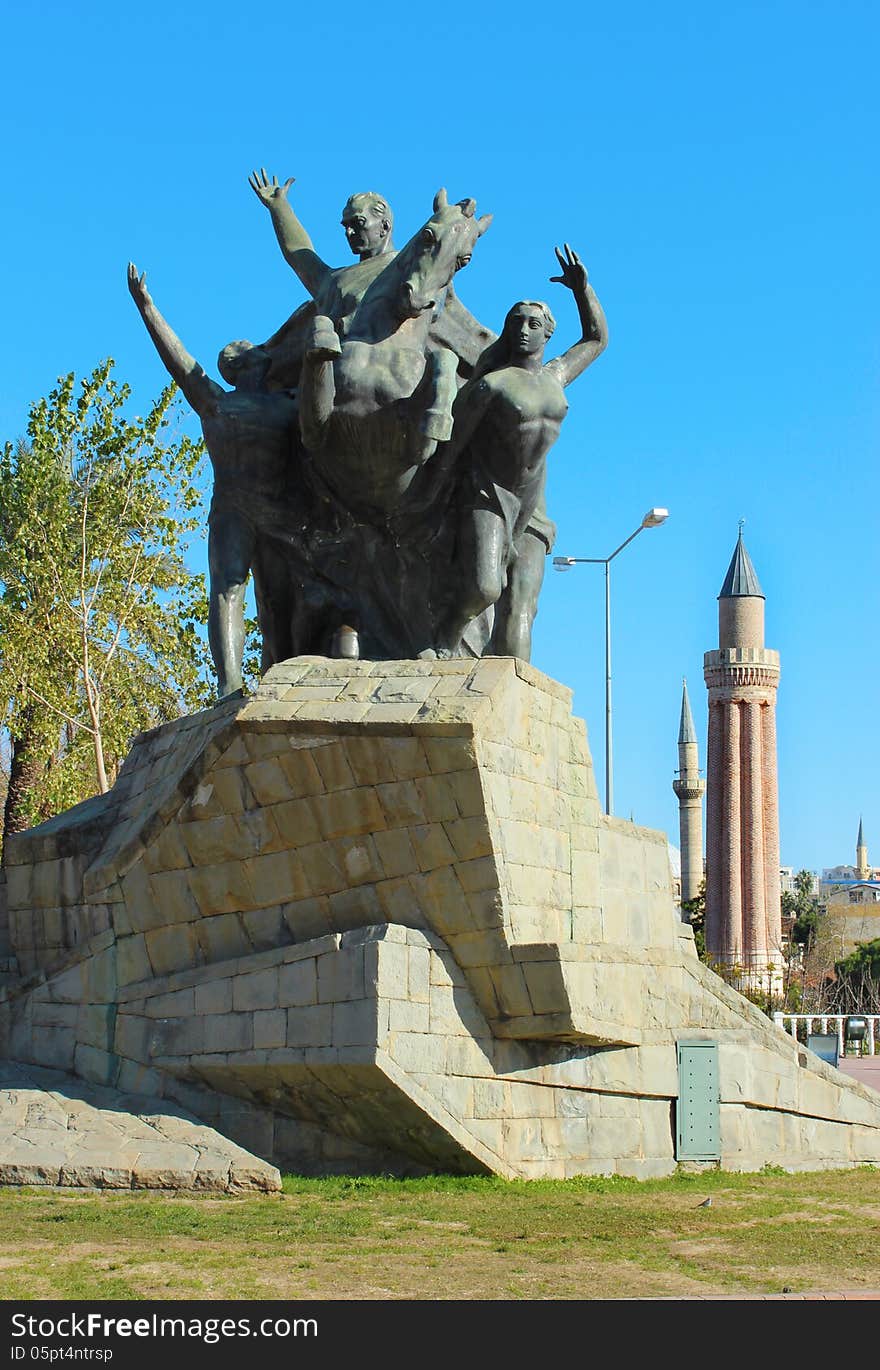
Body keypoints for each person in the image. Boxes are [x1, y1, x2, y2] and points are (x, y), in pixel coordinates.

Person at [127, 264, 298, 697]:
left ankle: (266, 677)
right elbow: (179, 361)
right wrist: (147, 307)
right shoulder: (222, 404)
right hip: (243, 513)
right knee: (232, 592)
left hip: (265, 512)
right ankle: (230, 685)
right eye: (256, 349)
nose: (266, 351)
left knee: (266, 596)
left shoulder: (278, 405)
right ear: (242, 364)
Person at [438, 244, 608, 656]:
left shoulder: (557, 376)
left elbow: (597, 339)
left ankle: (513, 700)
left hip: (534, 507)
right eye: (517, 322)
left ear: (549, 332)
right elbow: (452, 447)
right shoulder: (492, 384)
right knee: (485, 587)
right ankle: (442, 637)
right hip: (489, 495)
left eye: (534, 323)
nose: (524, 329)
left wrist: (582, 291)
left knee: (522, 607)